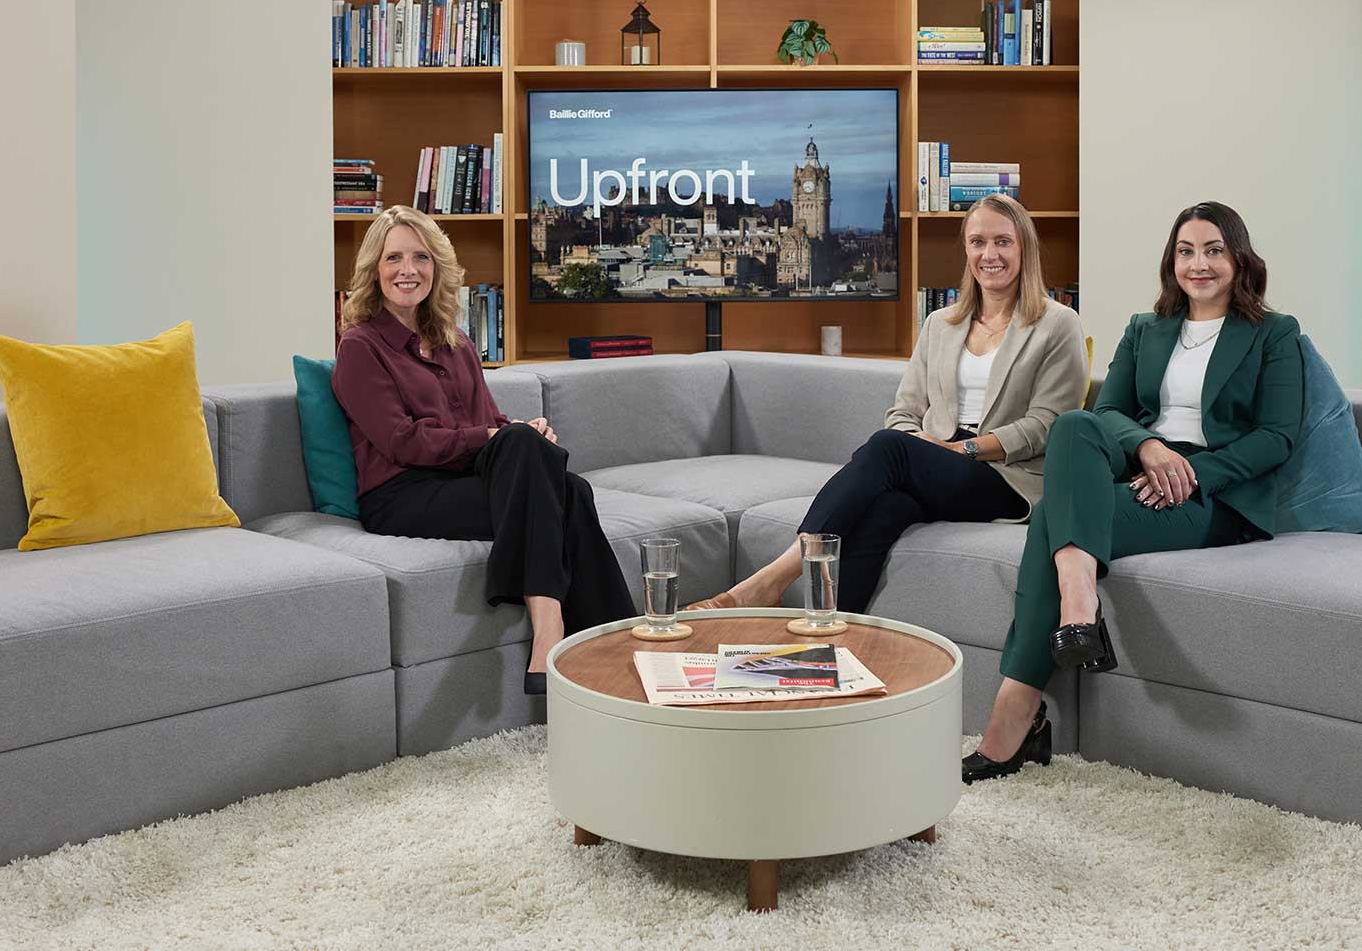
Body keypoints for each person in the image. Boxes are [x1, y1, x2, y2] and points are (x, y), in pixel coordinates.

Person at [963, 200, 1303, 782]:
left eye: (1214, 251)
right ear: (1171, 262)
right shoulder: (1147, 328)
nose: (1199, 265)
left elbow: (1277, 437)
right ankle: (1079, 606)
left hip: (1212, 493)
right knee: (1073, 424)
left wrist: (1191, 473)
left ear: (1239, 259)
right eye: (1186, 251)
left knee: (1050, 519)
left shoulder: (1273, 333)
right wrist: (1149, 449)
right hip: (1141, 470)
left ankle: (1014, 717)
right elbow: (1112, 410)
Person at [690, 193, 1088, 616]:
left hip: (1006, 478)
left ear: (1024, 246)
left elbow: (1049, 424)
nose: (989, 254)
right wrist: (923, 443)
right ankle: (830, 638)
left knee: (886, 447)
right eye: (977, 242)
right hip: (937, 460)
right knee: (884, 509)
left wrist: (959, 450)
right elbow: (903, 412)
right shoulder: (941, 323)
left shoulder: (1058, 324)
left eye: (1003, 242)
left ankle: (770, 580)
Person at [330, 205, 634, 696]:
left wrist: (519, 431)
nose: (408, 270)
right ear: (374, 270)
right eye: (394, 259)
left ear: (437, 267)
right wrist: (502, 439)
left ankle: (611, 657)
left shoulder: (456, 343)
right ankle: (571, 637)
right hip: (400, 493)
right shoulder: (360, 346)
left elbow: (488, 424)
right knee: (562, 488)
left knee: (569, 486)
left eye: (421, 258)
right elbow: (401, 442)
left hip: (461, 481)